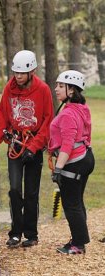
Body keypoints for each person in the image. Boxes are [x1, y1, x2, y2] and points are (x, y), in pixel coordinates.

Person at [0, 50, 53, 248]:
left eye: (21, 73)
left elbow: (47, 120)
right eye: (15, 72)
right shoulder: (9, 88)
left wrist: (34, 147)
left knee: (32, 192)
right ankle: (15, 233)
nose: (17, 76)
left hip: (34, 145)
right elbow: (2, 115)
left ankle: (31, 234)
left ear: (31, 71)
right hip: (16, 146)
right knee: (15, 189)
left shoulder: (43, 90)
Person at [49, 70, 95, 254]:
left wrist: (58, 168)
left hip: (74, 160)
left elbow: (68, 144)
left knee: (71, 204)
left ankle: (78, 244)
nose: (56, 89)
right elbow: (86, 133)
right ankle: (79, 239)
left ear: (71, 90)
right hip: (85, 157)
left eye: (61, 86)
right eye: (57, 85)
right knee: (76, 201)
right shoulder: (80, 108)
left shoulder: (68, 114)